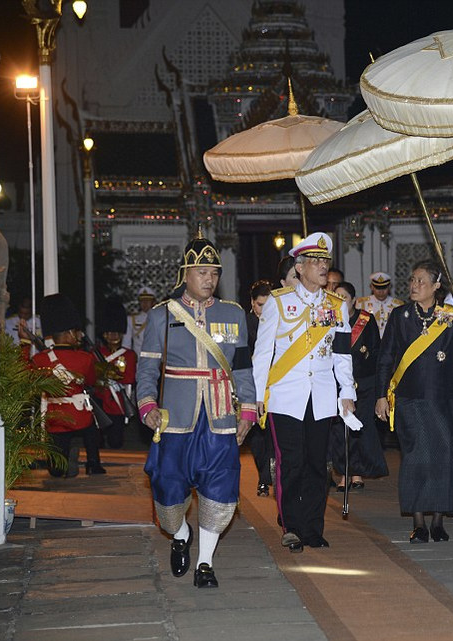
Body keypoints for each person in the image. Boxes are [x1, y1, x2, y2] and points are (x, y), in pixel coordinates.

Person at [137, 229, 257, 589]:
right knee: (167, 486)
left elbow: (243, 369)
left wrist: (248, 411)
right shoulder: (162, 316)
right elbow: (146, 369)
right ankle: (180, 534)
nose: (209, 279)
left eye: (215, 273)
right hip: (175, 417)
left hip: (220, 416)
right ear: (185, 275)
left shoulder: (233, 314)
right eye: (202, 273)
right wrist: (147, 407)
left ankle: (205, 563)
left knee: (220, 486)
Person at [253, 232, 357, 553]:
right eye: (316, 262)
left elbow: (342, 353)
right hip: (286, 396)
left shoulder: (336, 306)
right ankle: (292, 526)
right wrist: (258, 395)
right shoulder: (279, 302)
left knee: (317, 464)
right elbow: (262, 351)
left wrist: (347, 392)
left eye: (326, 261)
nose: (324, 267)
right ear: (300, 268)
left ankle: (314, 528)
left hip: (323, 396)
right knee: (291, 463)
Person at [375, 260, 453, 543]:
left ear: (436, 285)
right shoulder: (400, 316)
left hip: (443, 399)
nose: (414, 286)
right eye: (412, 280)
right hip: (409, 399)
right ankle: (418, 522)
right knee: (415, 459)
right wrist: (381, 395)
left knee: (443, 458)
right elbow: (385, 358)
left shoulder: (452, 317)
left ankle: (438, 520)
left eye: (421, 281)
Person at [31, 294, 105, 477]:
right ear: (68, 333)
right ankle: (93, 463)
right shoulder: (84, 358)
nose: (79, 335)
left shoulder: (39, 359)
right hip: (79, 414)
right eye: (76, 331)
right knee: (92, 428)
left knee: (57, 471)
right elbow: (90, 381)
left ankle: (69, 458)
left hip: (55, 417)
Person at [327, 281, 388, 490]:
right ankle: (344, 473)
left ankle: (358, 473)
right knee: (339, 430)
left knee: (359, 427)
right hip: (338, 383)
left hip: (364, 383)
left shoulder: (366, 319)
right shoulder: (329, 318)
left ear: (353, 300)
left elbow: (376, 350)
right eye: (337, 297)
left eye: (344, 298)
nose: (340, 301)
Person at [94, 298, 137, 449]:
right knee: (97, 442)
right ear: (104, 334)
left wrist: (115, 377)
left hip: (116, 401)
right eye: (109, 333)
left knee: (116, 442)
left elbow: (130, 377)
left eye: (116, 332)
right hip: (100, 400)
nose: (113, 336)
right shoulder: (97, 353)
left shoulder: (129, 355)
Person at [244, 279, 274, 496]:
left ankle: (266, 478)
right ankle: (264, 474)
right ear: (252, 303)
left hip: (274, 382)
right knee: (256, 436)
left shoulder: (278, 323)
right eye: (260, 304)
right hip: (251, 383)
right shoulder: (245, 324)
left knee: (273, 431)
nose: (263, 310)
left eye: (267, 304)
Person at [355, 272, 403, 337]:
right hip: (369, 340)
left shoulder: (398, 304)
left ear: (389, 287)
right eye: (377, 288)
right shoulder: (362, 303)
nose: (381, 291)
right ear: (371, 287)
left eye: (384, 288)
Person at [125, 287, 157, 352]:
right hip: (138, 358)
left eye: (148, 301)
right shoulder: (131, 319)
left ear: (153, 302)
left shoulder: (159, 318)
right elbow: (126, 343)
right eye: (142, 301)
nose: (145, 303)